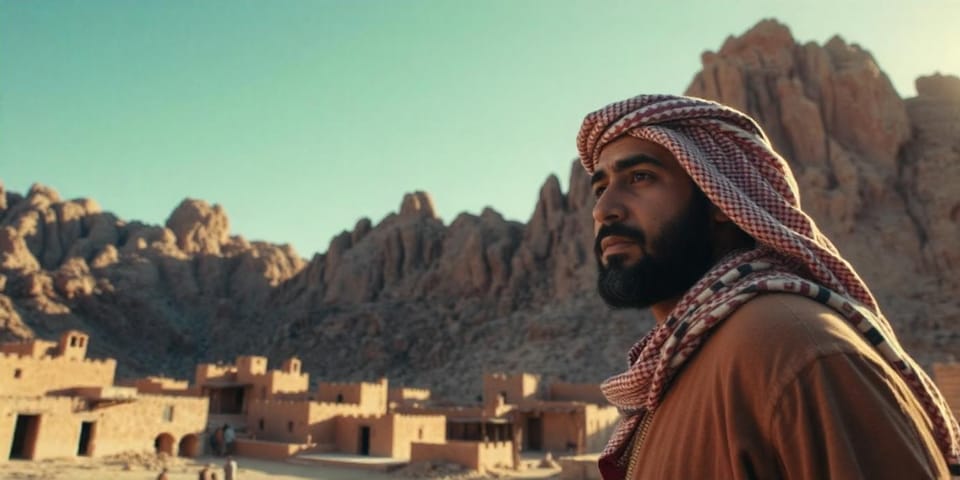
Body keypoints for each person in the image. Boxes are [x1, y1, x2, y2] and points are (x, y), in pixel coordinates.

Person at [576, 94, 960, 479]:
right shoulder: (688, 357)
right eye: (600, 188)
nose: (603, 209)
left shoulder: (790, 345)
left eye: (640, 177)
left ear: (721, 194)